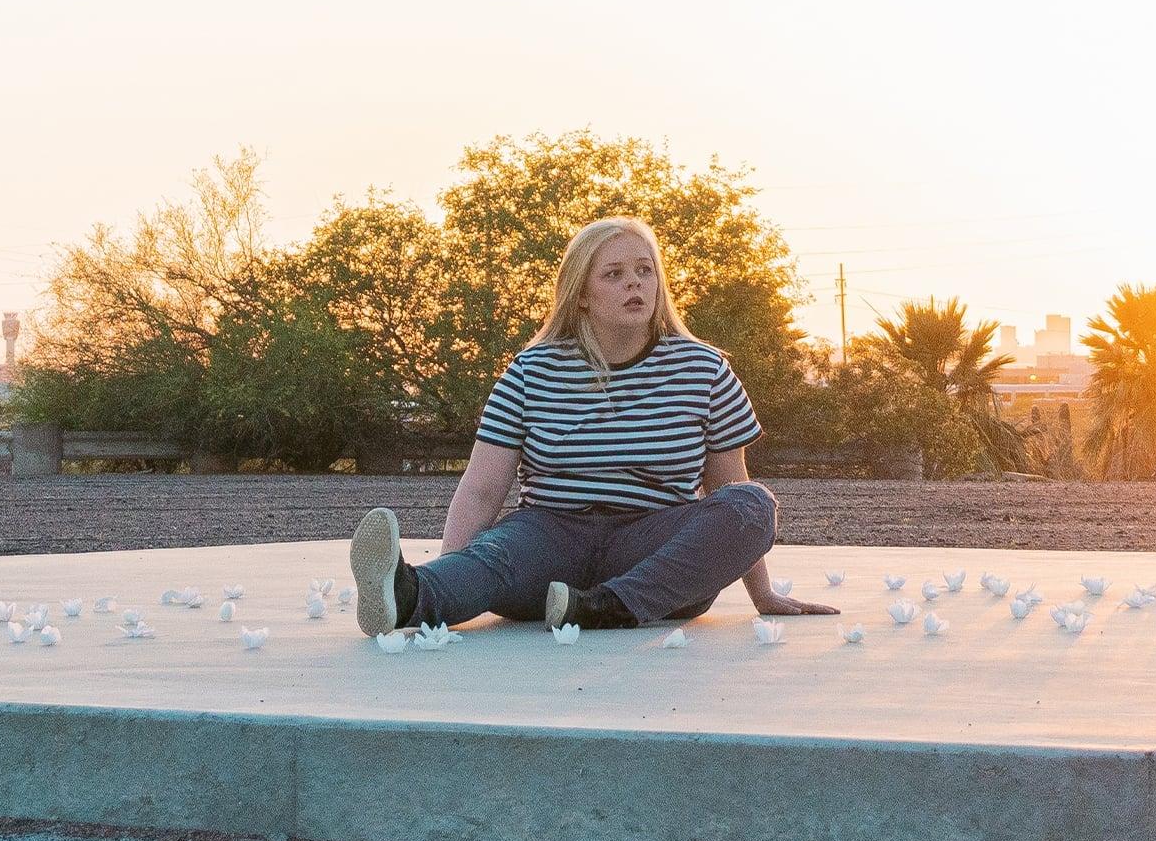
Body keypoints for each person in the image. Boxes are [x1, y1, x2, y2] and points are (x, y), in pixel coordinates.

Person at [350, 217, 841, 635]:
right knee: (495, 557)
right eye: (615, 274)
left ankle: (611, 607)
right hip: (548, 538)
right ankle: (406, 594)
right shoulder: (531, 371)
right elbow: (481, 489)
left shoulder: (704, 369)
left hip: (654, 551)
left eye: (644, 271)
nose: (635, 284)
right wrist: (450, 571)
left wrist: (763, 593)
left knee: (753, 505)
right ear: (581, 294)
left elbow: (729, 485)